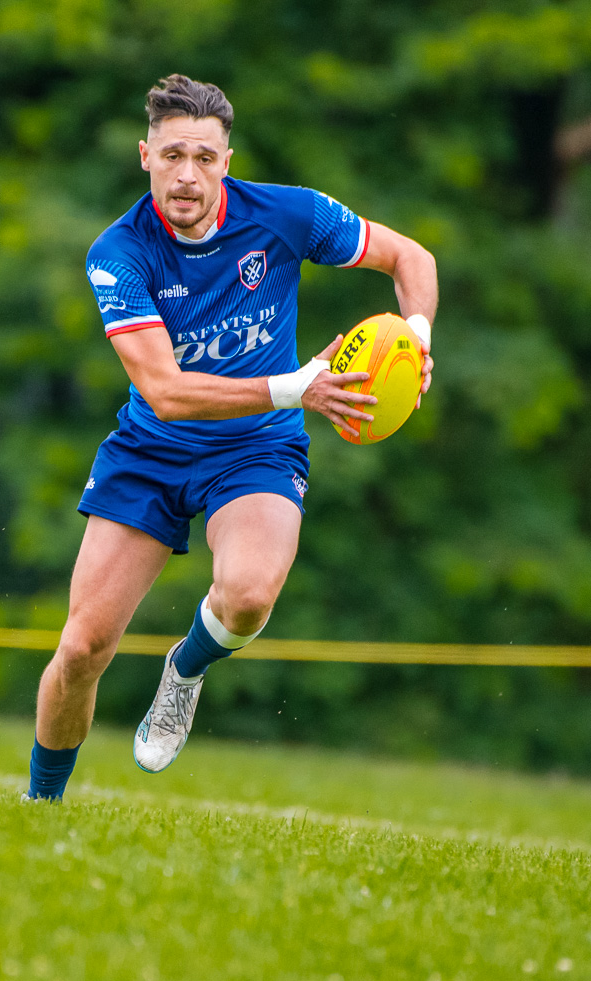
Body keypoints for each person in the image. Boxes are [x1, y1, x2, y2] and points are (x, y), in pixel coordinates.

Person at [26, 74, 438, 802]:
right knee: (83, 647)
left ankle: (185, 669)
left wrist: (418, 338)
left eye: (206, 158)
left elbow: (413, 260)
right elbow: (166, 391)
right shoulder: (118, 253)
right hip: (152, 450)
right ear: (145, 155)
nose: (189, 175)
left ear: (228, 160)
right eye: (174, 155)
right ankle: (41, 803)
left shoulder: (287, 215)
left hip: (258, 449)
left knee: (247, 596)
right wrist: (296, 388)